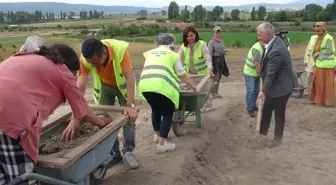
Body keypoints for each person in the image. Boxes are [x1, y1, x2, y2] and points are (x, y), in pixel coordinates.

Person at [0, 36, 107, 185]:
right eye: (75, 74)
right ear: (70, 68)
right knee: (23, 178)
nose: (74, 77)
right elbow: (85, 112)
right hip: (10, 119)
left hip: (6, 115)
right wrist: (103, 127)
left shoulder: (25, 57)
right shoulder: (62, 70)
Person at [77, 38, 139, 169]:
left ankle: (128, 151)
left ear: (104, 54)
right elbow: (81, 83)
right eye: (90, 63)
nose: (93, 66)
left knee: (129, 119)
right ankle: (114, 153)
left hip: (122, 86)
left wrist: (130, 105)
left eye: (95, 63)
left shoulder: (120, 50)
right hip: (104, 86)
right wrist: (76, 106)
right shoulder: (85, 58)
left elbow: (129, 79)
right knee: (104, 120)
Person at [139, 33, 199, 153]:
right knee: (167, 113)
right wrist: (194, 87)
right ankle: (162, 143)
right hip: (162, 87)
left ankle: (157, 135)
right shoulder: (173, 55)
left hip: (145, 86)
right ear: (171, 44)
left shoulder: (150, 52)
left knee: (155, 110)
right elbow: (182, 75)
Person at [254, 22, 298, 149]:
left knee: (279, 112)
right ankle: (262, 136)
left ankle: (277, 139)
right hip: (277, 83)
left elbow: (271, 74)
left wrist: (263, 91)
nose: (259, 38)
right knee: (267, 110)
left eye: (260, 35)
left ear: (268, 34)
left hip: (282, 86)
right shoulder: (273, 43)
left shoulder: (277, 50)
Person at [178, 26, 215, 112]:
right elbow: (177, 57)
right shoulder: (184, 46)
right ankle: (195, 107)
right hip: (190, 73)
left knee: (205, 90)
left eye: (191, 35)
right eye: (187, 36)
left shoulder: (202, 44)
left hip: (202, 73)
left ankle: (208, 106)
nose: (189, 38)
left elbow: (207, 57)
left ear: (195, 34)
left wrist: (210, 69)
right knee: (193, 91)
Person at [308, 22, 336, 106]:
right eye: (316, 29)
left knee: (327, 84)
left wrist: (318, 53)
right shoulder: (318, 38)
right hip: (319, 64)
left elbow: (330, 50)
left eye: (318, 29)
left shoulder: (328, 38)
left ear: (323, 29)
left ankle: (327, 102)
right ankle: (317, 100)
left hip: (327, 65)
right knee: (318, 83)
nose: (317, 31)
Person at [243, 41, 264, 117]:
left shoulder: (263, 48)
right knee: (250, 91)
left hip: (256, 73)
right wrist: (260, 74)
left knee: (256, 90)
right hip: (250, 73)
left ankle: (253, 105)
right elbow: (257, 64)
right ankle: (249, 109)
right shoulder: (257, 49)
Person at [208, 26, 230, 99]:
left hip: (221, 60)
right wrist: (210, 65)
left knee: (219, 77)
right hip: (215, 61)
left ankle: (215, 92)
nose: (218, 33)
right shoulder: (211, 42)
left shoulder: (221, 41)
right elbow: (209, 54)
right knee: (215, 78)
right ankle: (212, 93)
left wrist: (224, 52)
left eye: (219, 32)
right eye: (216, 32)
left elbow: (222, 50)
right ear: (213, 33)